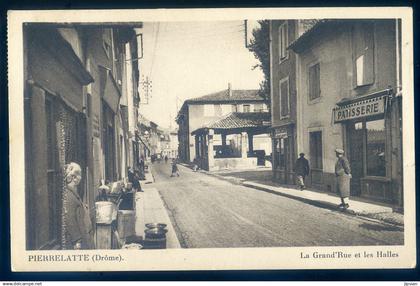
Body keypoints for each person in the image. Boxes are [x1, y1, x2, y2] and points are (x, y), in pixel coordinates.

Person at [64, 162, 94, 249]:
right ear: (74, 177)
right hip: (78, 241)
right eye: (80, 175)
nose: (81, 177)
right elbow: (69, 219)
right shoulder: (68, 195)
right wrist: (77, 240)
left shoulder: (72, 192)